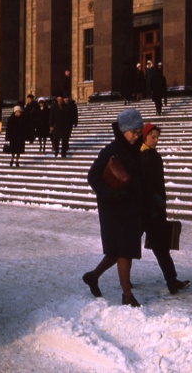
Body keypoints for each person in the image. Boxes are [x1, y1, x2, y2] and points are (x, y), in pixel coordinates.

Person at [83, 108, 146, 307]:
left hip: (131, 206)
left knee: (116, 252)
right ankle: (127, 295)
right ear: (123, 130)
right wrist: (110, 193)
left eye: (139, 132)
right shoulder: (110, 150)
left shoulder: (136, 150)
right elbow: (92, 177)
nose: (137, 136)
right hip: (113, 208)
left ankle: (93, 276)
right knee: (124, 251)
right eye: (133, 132)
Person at [139, 123, 190, 295]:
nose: (156, 140)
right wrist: (155, 203)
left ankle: (172, 280)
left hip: (156, 208)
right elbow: (144, 186)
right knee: (129, 247)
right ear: (144, 137)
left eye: (157, 136)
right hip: (145, 210)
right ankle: (99, 275)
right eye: (152, 136)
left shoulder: (154, 156)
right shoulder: (141, 156)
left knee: (161, 247)